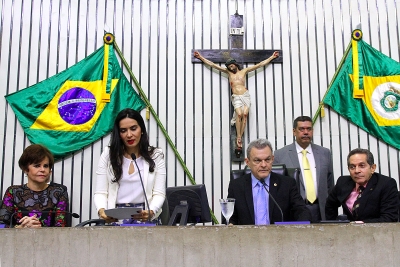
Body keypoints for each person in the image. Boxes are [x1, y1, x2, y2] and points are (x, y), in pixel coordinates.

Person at [194, 51, 279, 151]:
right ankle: (239, 136)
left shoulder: (244, 71)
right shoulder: (228, 72)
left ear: (235, 64)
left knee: (245, 114)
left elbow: (260, 65)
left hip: (245, 95)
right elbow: (213, 65)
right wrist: (200, 57)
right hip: (236, 97)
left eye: (231, 65)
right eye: (229, 66)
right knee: (239, 114)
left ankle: (240, 136)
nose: (230, 67)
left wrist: (272, 57)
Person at [94, 108, 166, 223]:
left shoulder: (156, 155)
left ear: (141, 129)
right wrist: (102, 211)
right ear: (119, 133)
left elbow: (159, 193)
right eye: (123, 130)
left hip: (144, 216)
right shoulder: (108, 155)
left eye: (133, 129)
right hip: (116, 217)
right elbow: (101, 192)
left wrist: (151, 211)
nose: (129, 135)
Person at [227, 138, 311, 225]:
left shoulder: (287, 184)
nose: (263, 165)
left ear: (272, 159)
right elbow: (230, 217)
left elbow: (301, 211)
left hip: (280, 236)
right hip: (247, 237)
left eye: (267, 160)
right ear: (248, 162)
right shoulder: (236, 186)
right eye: (257, 160)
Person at [274, 116, 333, 222]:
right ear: (294, 131)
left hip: (320, 210)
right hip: (294, 210)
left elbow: (329, 183)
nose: (306, 132)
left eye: (309, 129)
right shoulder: (280, 155)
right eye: (302, 129)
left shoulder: (325, 153)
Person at [0, 144, 69, 228]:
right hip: (17, 240)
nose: (42, 170)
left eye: (46, 166)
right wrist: (21, 228)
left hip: (49, 240)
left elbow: (61, 227)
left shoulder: (59, 192)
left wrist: (39, 228)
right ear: (26, 169)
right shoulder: (13, 192)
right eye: (37, 166)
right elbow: (1, 225)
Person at [325, 148, 399, 222]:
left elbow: (389, 218)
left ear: (373, 168)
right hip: (348, 232)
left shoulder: (386, 184)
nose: (357, 171)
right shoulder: (342, 182)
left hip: (377, 231)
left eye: (362, 166)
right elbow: (330, 205)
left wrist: (361, 224)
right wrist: (334, 226)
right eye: (352, 167)